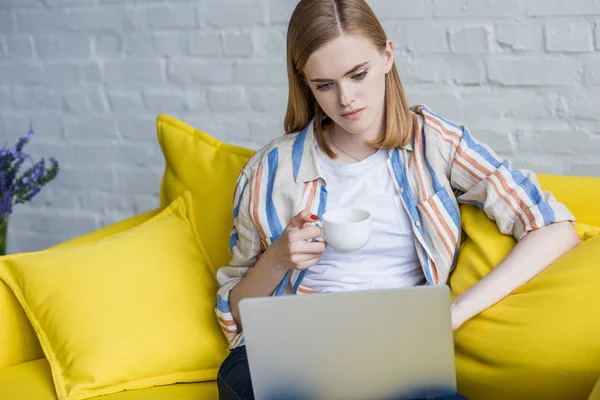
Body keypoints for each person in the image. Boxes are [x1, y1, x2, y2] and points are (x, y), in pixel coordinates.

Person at [214, 0, 580, 399]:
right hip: (290, 354)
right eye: (325, 85)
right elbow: (236, 311)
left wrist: (453, 312)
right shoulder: (269, 170)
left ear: (387, 55)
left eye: (358, 74)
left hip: (394, 352)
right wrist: (277, 258)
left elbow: (554, 228)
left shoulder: (434, 142)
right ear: (306, 83)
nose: (347, 99)